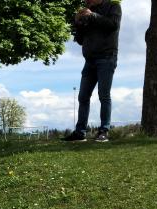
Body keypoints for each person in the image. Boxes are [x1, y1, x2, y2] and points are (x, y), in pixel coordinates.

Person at [63, 0, 122, 143]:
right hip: (89, 60)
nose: (86, 1)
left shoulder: (113, 6)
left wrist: (93, 15)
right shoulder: (87, 12)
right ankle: (80, 133)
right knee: (83, 97)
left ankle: (104, 131)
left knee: (104, 95)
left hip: (107, 57)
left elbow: (113, 25)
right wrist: (77, 23)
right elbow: (80, 40)